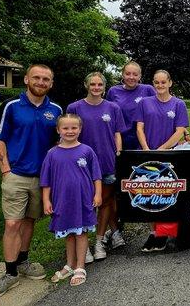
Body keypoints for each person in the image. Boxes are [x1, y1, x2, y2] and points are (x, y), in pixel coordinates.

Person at [0, 64, 62, 300]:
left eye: (46, 79)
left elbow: (61, 142)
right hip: (16, 174)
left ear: (51, 83)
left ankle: (23, 260)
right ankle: (9, 273)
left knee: (30, 220)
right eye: (37, 77)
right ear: (27, 79)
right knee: (12, 224)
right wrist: (6, 170)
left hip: (42, 177)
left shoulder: (56, 110)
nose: (41, 82)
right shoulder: (11, 106)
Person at [67, 72, 127, 261]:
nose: (96, 88)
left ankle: (99, 241)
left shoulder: (113, 107)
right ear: (86, 85)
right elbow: (66, 135)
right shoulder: (75, 107)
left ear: (104, 87)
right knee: (85, 204)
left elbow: (118, 133)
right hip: (81, 165)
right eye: (92, 84)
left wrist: (118, 153)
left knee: (106, 201)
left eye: (100, 85)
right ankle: (83, 246)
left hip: (107, 162)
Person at [40, 114, 102, 286]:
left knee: (81, 232)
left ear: (80, 129)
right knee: (68, 233)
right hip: (62, 200)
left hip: (82, 199)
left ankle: (80, 266)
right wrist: (46, 200)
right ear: (58, 130)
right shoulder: (52, 154)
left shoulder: (87, 151)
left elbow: (96, 176)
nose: (70, 131)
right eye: (65, 128)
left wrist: (97, 194)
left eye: (74, 128)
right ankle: (70, 264)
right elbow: (46, 181)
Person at [135, 70, 190, 252]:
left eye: (163, 82)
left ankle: (172, 233)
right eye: (156, 83)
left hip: (170, 155)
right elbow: (139, 128)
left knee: (170, 193)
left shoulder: (178, 104)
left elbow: (180, 131)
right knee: (151, 195)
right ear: (153, 83)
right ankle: (154, 234)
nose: (160, 86)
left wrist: (162, 149)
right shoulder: (144, 103)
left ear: (170, 83)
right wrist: (146, 149)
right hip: (149, 154)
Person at [105, 61, 154, 249]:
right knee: (117, 187)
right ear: (122, 74)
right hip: (119, 145)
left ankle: (151, 222)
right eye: (128, 74)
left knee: (144, 183)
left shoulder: (148, 90)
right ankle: (116, 227)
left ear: (140, 76)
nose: (131, 77)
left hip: (142, 143)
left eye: (135, 74)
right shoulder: (113, 92)